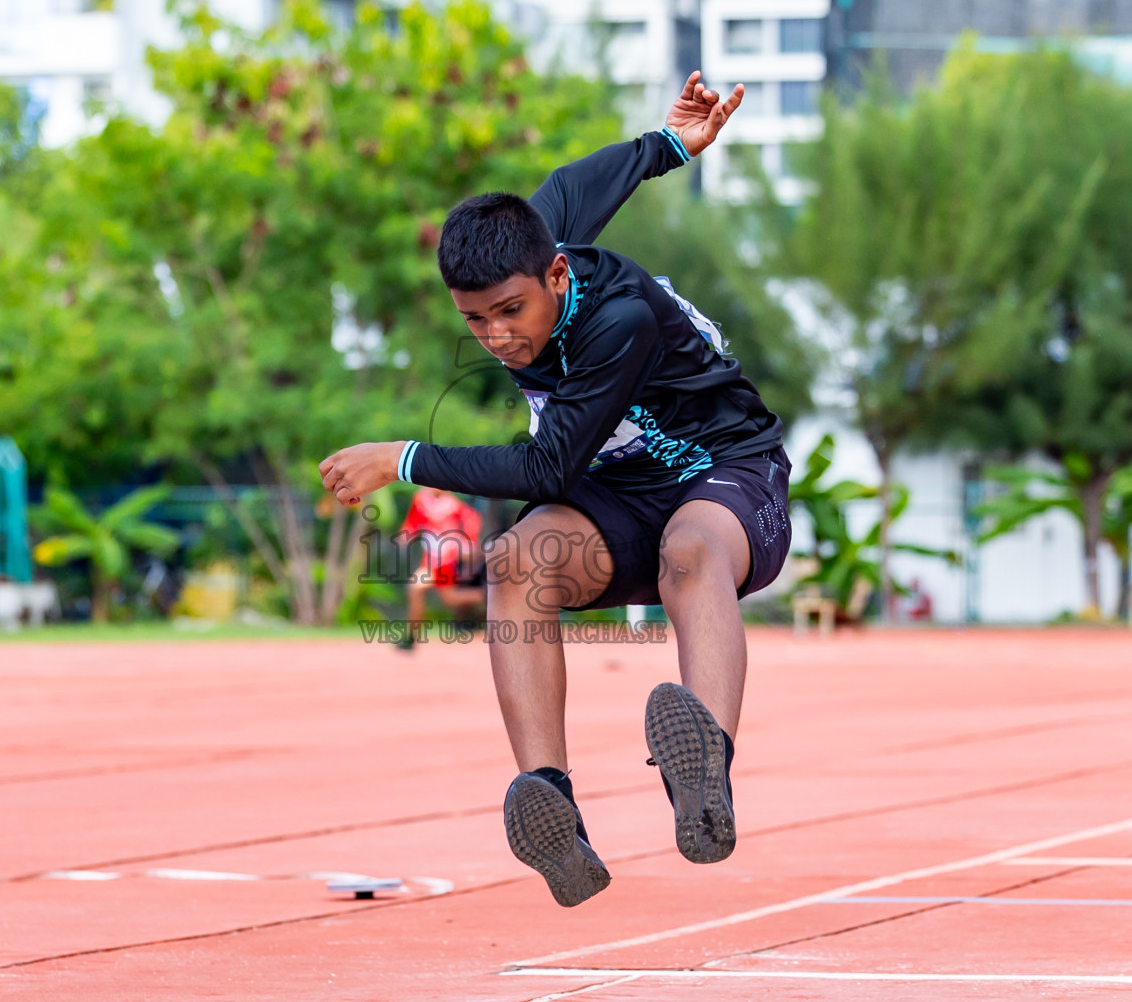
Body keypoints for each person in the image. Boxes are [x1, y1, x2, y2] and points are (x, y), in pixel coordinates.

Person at [320, 73, 790, 907]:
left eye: (510, 311)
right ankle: (552, 804)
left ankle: (705, 773)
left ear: (559, 274)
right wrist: (670, 144)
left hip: (726, 471)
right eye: (474, 321)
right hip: (618, 491)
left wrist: (404, 457)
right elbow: (595, 176)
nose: (498, 338)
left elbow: (544, 472)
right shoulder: (538, 229)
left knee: (689, 552)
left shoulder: (619, 321)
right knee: (516, 561)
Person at [395, 487, 487, 651]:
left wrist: (464, 544)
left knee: (415, 588)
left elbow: (472, 522)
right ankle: (489, 595)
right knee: (450, 599)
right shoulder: (422, 500)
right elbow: (413, 522)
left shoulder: (454, 506)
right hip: (430, 561)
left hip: (445, 561)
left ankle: (410, 637)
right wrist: (406, 534)